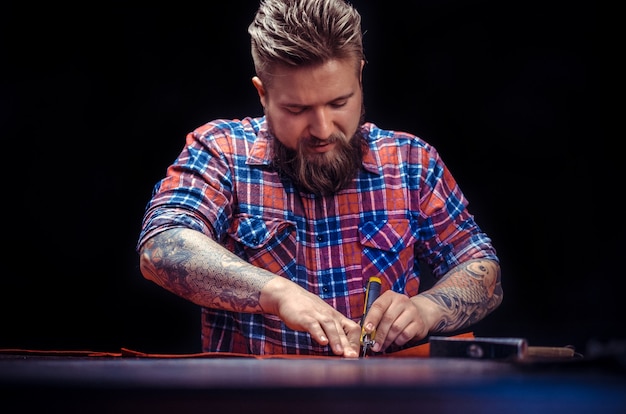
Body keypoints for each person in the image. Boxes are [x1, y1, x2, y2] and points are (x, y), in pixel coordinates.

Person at [137, 0, 503, 358]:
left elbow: (480, 266)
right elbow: (161, 246)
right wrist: (276, 293)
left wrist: (427, 310)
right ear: (262, 94)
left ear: (359, 76)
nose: (323, 129)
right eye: (297, 109)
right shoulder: (220, 151)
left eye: (339, 103)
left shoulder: (411, 161)